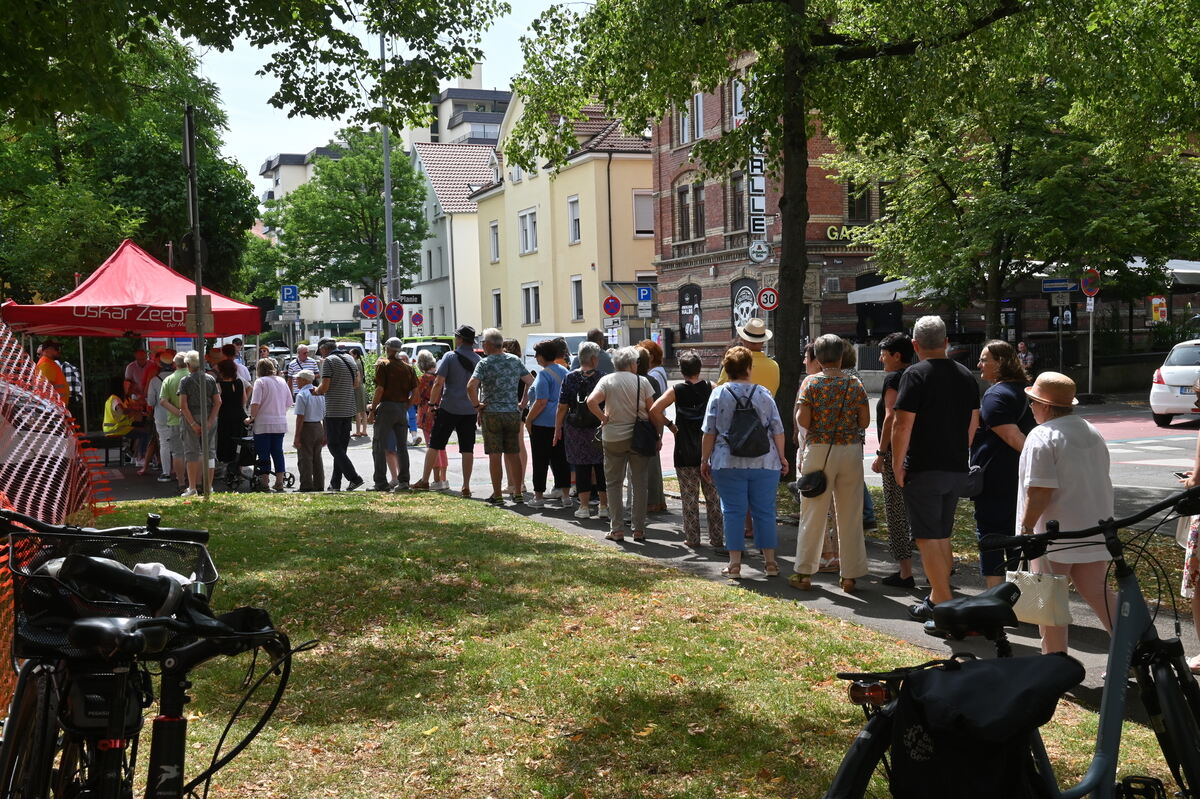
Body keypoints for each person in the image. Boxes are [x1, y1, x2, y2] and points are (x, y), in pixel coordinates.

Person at [1018, 372, 1116, 655]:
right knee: (1100, 594)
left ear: (1046, 406)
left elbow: (1040, 491)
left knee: (1048, 602)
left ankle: (1055, 662)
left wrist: (1026, 528)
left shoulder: (1042, 435)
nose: (1031, 407)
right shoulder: (1090, 430)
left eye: (1033, 402)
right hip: (1093, 528)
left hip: (1053, 535)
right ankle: (1135, 652)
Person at [892, 316, 980, 621]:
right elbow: (973, 422)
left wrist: (897, 464)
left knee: (927, 537)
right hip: (956, 466)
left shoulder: (915, 375)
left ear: (915, 345)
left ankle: (942, 602)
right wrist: (960, 451)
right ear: (946, 342)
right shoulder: (966, 375)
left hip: (924, 466)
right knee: (942, 534)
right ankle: (938, 597)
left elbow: (902, 424)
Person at [789, 335, 870, 592]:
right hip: (850, 450)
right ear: (841, 356)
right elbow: (864, 421)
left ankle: (804, 573)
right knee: (850, 513)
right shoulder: (854, 383)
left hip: (819, 450)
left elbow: (803, 419)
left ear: (819, 357)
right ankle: (850, 576)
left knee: (812, 513)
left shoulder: (811, 382)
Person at [701, 346, 788, 577]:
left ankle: (735, 565)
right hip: (765, 461)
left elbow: (709, 431)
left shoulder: (718, 394)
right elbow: (777, 429)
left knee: (732, 511)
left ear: (726, 369)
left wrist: (704, 459)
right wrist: (782, 457)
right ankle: (770, 563)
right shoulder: (764, 393)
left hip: (727, 461)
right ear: (749, 368)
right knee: (765, 512)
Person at [972, 340, 1035, 587]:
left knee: (991, 538)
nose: (979, 365)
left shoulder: (995, 395)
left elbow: (1013, 438)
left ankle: (995, 596)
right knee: (1017, 537)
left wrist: (1035, 460)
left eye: (984, 360)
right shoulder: (1027, 391)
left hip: (997, 480)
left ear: (1000, 363)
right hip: (1021, 479)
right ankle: (1017, 595)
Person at [651, 350, 722, 548]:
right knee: (713, 497)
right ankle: (717, 538)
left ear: (681, 370)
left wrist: (670, 425)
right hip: (708, 450)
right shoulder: (711, 387)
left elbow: (654, 410)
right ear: (700, 368)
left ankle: (692, 538)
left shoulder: (676, 390)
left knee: (689, 498)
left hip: (684, 450)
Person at [587, 346, 656, 542]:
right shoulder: (642, 381)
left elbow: (591, 402)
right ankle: (638, 529)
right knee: (639, 483)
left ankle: (616, 529)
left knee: (613, 483)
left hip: (613, 437)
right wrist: (658, 435)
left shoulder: (606, 380)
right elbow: (652, 410)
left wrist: (603, 418)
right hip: (638, 438)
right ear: (632, 364)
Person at [871, 333, 916, 588]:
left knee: (896, 511)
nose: (881, 359)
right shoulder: (918, 374)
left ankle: (905, 572)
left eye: (883, 354)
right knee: (922, 511)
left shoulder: (894, 378)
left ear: (897, 356)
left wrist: (881, 453)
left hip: (894, 452)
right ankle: (942, 567)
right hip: (918, 451)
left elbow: (891, 416)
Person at [468, 328, 534, 504]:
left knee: (495, 455)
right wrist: (522, 403)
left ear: (489, 344)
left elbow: (470, 386)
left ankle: (497, 495)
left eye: (483, 343)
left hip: (491, 413)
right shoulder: (514, 360)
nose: (483, 346)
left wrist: (477, 405)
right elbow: (531, 382)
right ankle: (518, 492)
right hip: (512, 413)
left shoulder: (484, 363)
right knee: (513, 453)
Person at [413, 325, 481, 495]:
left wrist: (431, 405)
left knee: (435, 444)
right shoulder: (478, 359)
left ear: (460, 339)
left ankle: (425, 480)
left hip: (449, 407)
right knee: (467, 448)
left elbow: (438, 383)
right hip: (469, 410)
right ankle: (466, 486)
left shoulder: (450, 357)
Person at [556, 342, 609, 520]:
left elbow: (562, 407)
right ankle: (603, 506)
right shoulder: (603, 377)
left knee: (581, 467)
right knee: (600, 466)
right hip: (598, 427)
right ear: (593, 359)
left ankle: (584, 507)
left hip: (575, 429)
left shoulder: (570, 377)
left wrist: (557, 429)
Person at [312, 338, 364, 491]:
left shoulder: (329, 361)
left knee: (334, 446)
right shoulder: (350, 358)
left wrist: (316, 391)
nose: (321, 354)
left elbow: (325, 387)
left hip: (334, 409)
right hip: (348, 409)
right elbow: (356, 383)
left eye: (320, 351)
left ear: (323, 349)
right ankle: (335, 484)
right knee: (341, 448)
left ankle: (354, 478)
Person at [369, 337, 418, 492]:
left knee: (379, 444)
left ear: (388, 348)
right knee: (402, 447)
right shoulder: (408, 368)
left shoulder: (383, 365)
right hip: (401, 408)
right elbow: (416, 392)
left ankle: (380, 483)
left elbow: (380, 389)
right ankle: (404, 481)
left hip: (386, 407)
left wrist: (372, 410)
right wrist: (406, 405)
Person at [526, 339, 570, 508]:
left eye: (537, 354)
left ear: (543, 356)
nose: (536, 357)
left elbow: (541, 401)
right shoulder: (565, 371)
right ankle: (565, 496)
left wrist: (529, 419)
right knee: (561, 460)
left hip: (542, 423)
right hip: (561, 421)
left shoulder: (544, 374)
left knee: (540, 460)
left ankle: (538, 497)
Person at [177, 350, 221, 497]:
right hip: (209, 416)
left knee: (191, 453)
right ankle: (208, 486)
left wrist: (193, 424)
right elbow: (218, 402)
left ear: (188, 365)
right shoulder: (210, 379)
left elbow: (183, 405)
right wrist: (210, 421)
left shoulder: (185, 381)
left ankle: (192, 488)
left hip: (191, 417)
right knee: (210, 452)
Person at [247, 358, 293, 491]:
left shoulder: (260, 382)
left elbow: (255, 403)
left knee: (263, 453)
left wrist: (251, 418)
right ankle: (279, 481)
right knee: (278, 452)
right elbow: (289, 402)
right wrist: (280, 412)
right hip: (279, 422)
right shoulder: (282, 381)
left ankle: (265, 482)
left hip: (263, 423)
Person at [636, 346, 668, 514]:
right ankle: (657, 501)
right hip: (652, 425)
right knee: (654, 464)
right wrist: (658, 433)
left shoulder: (635, 380)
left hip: (641, 426)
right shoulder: (651, 380)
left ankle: (649, 502)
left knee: (643, 467)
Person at [716, 318, 780, 395]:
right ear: (763, 341)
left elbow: (719, 391)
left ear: (743, 339)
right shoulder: (774, 366)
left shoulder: (734, 362)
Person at [414, 350, 449, 490]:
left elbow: (417, 397)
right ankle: (444, 479)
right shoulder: (441, 377)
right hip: (442, 412)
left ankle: (436, 480)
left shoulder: (423, 379)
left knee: (432, 447)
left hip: (427, 414)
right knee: (441, 447)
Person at [503, 338, 533, 497]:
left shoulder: (511, 366)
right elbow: (530, 382)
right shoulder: (520, 365)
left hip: (513, 408)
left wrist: (522, 402)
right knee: (518, 444)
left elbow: (530, 383)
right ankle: (518, 482)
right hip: (519, 408)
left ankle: (515, 483)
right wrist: (524, 402)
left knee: (512, 446)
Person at [158, 353, 190, 492]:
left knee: (178, 453)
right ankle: (196, 482)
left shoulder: (169, 379)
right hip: (194, 420)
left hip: (175, 421)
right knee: (195, 452)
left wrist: (178, 412)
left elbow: (163, 401)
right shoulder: (194, 377)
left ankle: (181, 483)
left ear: (174, 364)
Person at [292, 369, 326, 492]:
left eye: (298, 379)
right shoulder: (319, 393)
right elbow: (325, 414)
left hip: (307, 427)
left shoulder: (302, 394)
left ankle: (306, 485)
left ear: (304, 380)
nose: (296, 381)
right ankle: (319, 484)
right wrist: (325, 433)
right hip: (318, 426)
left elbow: (300, 417)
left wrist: (297, 436)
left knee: (305, 458)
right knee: (317, 458)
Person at [215, 359, 248, 482]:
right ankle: (239, 470)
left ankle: (227, 471)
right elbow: (244, 399)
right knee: (239, 443)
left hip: (225, 417)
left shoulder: (218, 384)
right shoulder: (239, 382)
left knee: (225, 443)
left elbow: (218, 402)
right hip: (239, 415)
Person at [145, 358, 176, 483]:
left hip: (161, 416)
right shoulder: (180, 378)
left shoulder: (154, 381)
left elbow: (151, 402)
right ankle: (180, 472)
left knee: (164, 444)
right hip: (178, 415)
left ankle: (166, 472)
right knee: (179, 444)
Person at [351, 348, 369, 437]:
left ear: (355, 355)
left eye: (351, 354)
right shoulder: (359, 362)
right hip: (361, 387)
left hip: (357, 388)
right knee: (362, 410)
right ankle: (364, 430)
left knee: (357, 410)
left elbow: (356, 378)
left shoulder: (355, 363)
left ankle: (358, 431)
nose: (349, 356)